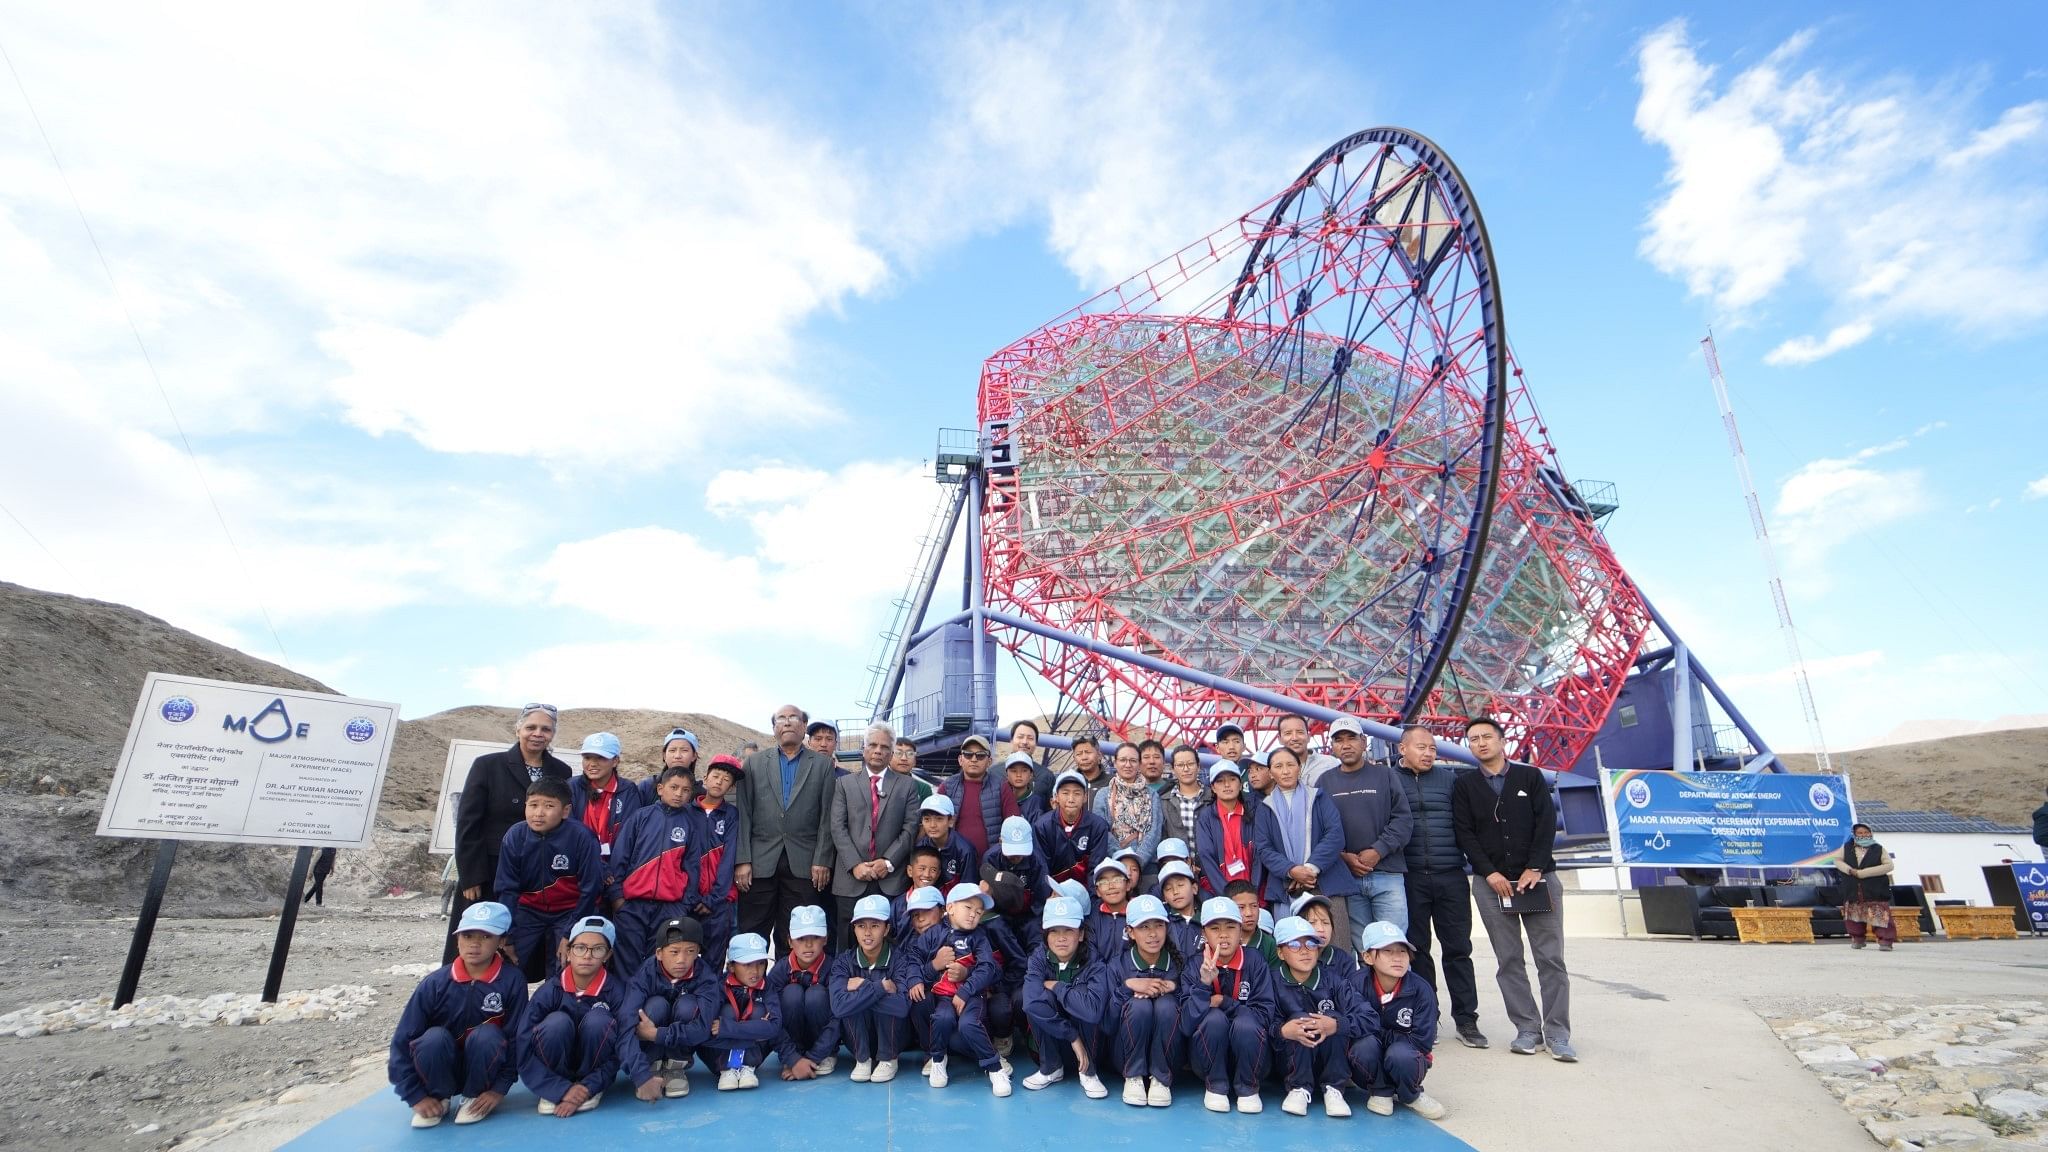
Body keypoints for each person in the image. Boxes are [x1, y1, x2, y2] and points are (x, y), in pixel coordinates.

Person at [1451, 716, 1572, 1061]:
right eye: (1473, 739)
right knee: (1509, 960)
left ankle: (1558, 1033)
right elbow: (1465, 833)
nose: (1481, 743)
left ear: (1502, 741)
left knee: (1550, 958)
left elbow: (1546, 823)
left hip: (1538, 880)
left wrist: (1535, 866)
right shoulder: (1465, 785)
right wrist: (1488, 873)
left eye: (1487, 737)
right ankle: (1527, 1029)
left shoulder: (1529, 777)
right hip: (1492, 886)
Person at [448, 704, 573, 962]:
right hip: (490, 869)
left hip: (535, 870)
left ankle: (508, 994)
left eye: (545, 729)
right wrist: (471, 875)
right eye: (531, 727)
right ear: (518, 729)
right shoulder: (488, 766)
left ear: (552, 735)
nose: (537, 733)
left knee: (516, 942)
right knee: (480, 935)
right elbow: (468, 822)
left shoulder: (561, 772)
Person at [390, 901, 526, 1128]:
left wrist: (498, 1090)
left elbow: (516, 1038)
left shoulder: (512, 981)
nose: (474, 944)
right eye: (468, 936)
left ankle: (474, 1097)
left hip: (484, 1072)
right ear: (457, 938)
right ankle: (438, 1098)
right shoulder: (435, 983)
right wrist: (415, 1095)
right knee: (434, 1038)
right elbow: (403, 1040)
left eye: (485, 937)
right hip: (439, 1070)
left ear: (501, 941)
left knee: (488, 1035)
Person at [1394, 724, 1484, 1048]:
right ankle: (1427, 1017)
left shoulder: (1451, 780)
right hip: (1411, 876)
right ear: (1402, 749)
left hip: (1451, 875)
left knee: (1458, 949)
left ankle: (1467, 1020)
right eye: (1421, 747)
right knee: (1418, 951)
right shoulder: (1390, 780)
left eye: (1432, 748)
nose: (1429, 753)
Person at [735, 705, 837, 950]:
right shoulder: (754, 764)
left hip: (805, 863)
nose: (788, 722)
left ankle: (787, 984)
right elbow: (744, 813)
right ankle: (748, 986)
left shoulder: (822, 765)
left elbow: (827, 817)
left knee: (795, 933)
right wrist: (743, 860)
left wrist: (822, 859)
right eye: (782, 718)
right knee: (752, 928)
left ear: (803, 727)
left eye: (794, 718)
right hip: (760, 862)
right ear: (774, 729)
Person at [900, 882, 1009, 1096]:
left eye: (978, 912)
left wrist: (966, 989)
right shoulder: (934, 934)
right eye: (968, 908)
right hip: (943, 997)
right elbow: (913, 956)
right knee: (941, 1019)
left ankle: (995, 1068)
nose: (973, 915)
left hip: (973, 997)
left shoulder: (979, 937)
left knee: (969, 1024)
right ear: (950, 908)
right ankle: (938, 1060)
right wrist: (916, 978)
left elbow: (988, 967)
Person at [495, 777, 605, 981]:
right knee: (507, 963)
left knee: (564, 966)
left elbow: (591, 889)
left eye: (548, 806)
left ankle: (555, 1009)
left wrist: (570, 933)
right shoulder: (515, 836)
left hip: (570, 911)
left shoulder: (582, 837)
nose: (538, 813)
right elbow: (506, 889)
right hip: (528, 909)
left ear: (565, 811)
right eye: (533, 805)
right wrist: (506, 933)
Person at [518, 914, 624, 1117]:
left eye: (598, 949)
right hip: (553, 1075)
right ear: (568, 951)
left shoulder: (617, 993)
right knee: (556, 1022)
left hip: (593, 1074)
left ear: (608, 955)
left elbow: (622, 1046)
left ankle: (586, 1087)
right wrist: (557, 1088)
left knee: (599, 1020)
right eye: (580, 947)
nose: (587, 955)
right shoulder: (549, 991)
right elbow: (523, 1042)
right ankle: (555, 1088)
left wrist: (590, 1086)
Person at [1319, 716, 1414, 939]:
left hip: (1387, 874)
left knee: (1394, 942)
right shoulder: (1324, 782)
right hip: (1347, 877)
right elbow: (1319, 830)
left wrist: (1378, 850)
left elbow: (1403, 820)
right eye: (1339, 740)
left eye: (1351, 738)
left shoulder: (1385, 775)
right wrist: (1344, 858)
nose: (1346, 744)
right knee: (1363, 949)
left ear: (1363, 742)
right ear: (1332, 746)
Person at [829, 723, 921, 950]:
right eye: (872, 745)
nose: (878, 751)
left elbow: (910, 827)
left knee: (890, 940)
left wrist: (888, 862)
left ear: (891, 752)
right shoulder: (844, 784)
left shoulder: (907, 786)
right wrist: (855, 865)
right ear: (863, 749)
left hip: (890, 880)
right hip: (851, 879)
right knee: (848, 943)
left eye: (884, 747)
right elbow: (837, 827)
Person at [1181, 895, 1275, 1114]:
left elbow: (1265, 1015)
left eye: (1231, 927)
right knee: (1213, 1019)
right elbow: (1186, 1024)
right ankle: (1216, 1086)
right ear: (1204, 934)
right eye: (1215, 928)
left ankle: (1248, 1088)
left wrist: (1225, 1002)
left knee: (1245, 1022)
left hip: (1252, 1059)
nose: (1223, 934)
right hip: (1206, 1062)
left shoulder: (1255, 961)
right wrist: (1204, 985)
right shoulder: (1195, 964)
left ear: (1241, 931)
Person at [608, 765, 703, 974]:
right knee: (626, 959)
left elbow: (693, 869)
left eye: (686, 790)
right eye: (674, 787)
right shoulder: (640, 817)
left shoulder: (690, 825)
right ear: (660, 789)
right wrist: (617, 898)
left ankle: (651, 1005)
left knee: (657, 962)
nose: (679, 794)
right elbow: (619, 858)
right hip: (633, 904)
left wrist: (683, 905)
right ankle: (626, 1005)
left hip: (670, 907)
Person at [1270, 914, 1366, 1118]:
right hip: (1288, 1064)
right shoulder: (1272, 981)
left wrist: (1336, 1024)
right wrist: (1282, 1031)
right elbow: (1261, 1021)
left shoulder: (1334, 981)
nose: (1304, 951)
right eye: (1295, 945)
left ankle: (1334, 1088)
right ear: (1280, 952)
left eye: (1311, 944)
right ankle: (1299, 1088)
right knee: (1299, 1018)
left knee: (1332, 1018)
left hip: (1331, 1060)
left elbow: (1367, 1017)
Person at [1257, 745, 1354, 946]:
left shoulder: (1318, 797)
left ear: (1299, 767)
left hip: (1325, 883)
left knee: (1338, 946)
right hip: (1286, 886)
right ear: (1271, 773)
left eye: (1290, 764)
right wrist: (1291, 870)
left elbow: (1335, 835)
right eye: (1278, 766)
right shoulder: (1265, 808)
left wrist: (1308, 870)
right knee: (1294, 948)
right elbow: (1264, 848)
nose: (1285, 771)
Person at [1348, 920, 1446, 1119]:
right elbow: (1352, 1026)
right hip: (1370, 1060)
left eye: (1402, 952)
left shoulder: (1421, 989)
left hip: (1404, 1057)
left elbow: (1423, 1040)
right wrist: (1384, 1040)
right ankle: (1379, 1090)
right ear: (1367, 957)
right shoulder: (1356, 983)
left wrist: (1385, 1042)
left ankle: (1411, 1094)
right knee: (1363, 1046)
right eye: (1387, 951)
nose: (1397, 958)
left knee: (1400, 1054)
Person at [619, 916, 718, 1102]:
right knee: (655, 1005)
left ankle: (675, 1067)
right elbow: (625, 1023)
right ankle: (651, 1065)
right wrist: (640, 1075)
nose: (682, 959)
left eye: (690, 951)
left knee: (688, 1005)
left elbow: (703, 1028)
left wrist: (657, 1034)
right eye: (674, 951)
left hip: (664, 1036)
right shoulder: (645, 975)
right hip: (647, 1054)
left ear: (698, 952)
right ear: (659, 953)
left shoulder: (706, 977)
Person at [1021, 894, 1110, 1095]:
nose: (1061, 938)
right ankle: (1051, 1067)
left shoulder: (1094, 961)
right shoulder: (1039, 957)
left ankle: (1089, 1072)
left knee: (1081, 998)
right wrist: (1073, 1037)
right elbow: (1030, 1003)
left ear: (1080, 934)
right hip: (1060, 1041)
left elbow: (1093, 1011)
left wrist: (1059, 987)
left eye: (1068, 930)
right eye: (1054, 931)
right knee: (1040, 998)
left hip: (1091, 1049)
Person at [1105, 893, 1181, 1108]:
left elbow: (1189, 1022)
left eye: (1158, 925)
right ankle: (1134, 1076)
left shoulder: (1178, 965)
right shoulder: (1117, 965)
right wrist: (1127, 987)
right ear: (1130, 932)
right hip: (1124, 1056)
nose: (1153, 934)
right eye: (1144, 927)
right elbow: (1107, 1023)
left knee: (1167, 1005)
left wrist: (1175, 989)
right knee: (1139, 1006)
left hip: (1170, 1059)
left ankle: (1161, 1078)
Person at [831, 894, 909, 1083]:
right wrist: (878, 987)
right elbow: (838, 1007)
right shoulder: (843, 961)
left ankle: (889, 1059)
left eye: (875, 925)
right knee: (851, 1006)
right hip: (857, 1040)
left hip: (894, 1039)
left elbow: (902, 1007)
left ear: (886, 929)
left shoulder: (899, 959)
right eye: (861, 926)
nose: (867, 933)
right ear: (854, 929)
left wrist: (861, 987)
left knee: (860, 1001)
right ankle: (862, 1060)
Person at [768, 906, 839, 1078]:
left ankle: (827, 1055)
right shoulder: (779, 971)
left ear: (826, 939)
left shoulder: (835, 969)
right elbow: (770, 1018)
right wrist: (792, 1059)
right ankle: (796, 1053)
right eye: (801, 938)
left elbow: (840, 1018)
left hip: (823, 1043)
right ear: (790, 941)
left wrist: (814, 1056)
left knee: (816, 995)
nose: (808, 945)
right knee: (792, 993)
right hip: (792, 1047)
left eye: (815, 937)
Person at [688, 756, 745, 969]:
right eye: (716, 776)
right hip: (688, 899)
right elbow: (682, 859)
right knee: (685, 956)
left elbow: (729, 860)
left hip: (720, 902)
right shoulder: (687, 811)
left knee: (714, 959)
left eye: (727, 779)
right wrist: (691, 896)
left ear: (731, 786)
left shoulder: (732, 815)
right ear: (705, 778)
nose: (720, 781)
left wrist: (713, 898)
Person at [707, 933, 779, 1090]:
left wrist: (727, 1028)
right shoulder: (717, 986)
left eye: (760, 963)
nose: (755, 971)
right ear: (731, 966)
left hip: (754, 1057)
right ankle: (727, 1069)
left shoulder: (768, 986)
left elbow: (774, 1026)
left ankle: (748, 1066)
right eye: (747, 964)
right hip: (717, 1058)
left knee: (758, 1010)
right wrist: (757, 1029)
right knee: (727, 1011)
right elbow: (706, 1028)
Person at [570, 733, 641, 871]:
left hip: (615, 870)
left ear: (615, 761)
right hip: (578, 867)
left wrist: (613, 872)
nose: (592, 763)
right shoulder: (572, 787)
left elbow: (628, 835)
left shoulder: (628, 790)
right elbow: (568, 831)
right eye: (587, 757)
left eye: (601, 758)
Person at [1194, 761, 1264, 898]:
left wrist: (1252, 893)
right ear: (1213, 787)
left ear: (1240, 784)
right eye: (1220, 781)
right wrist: (1227, 896)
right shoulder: (1206, 817)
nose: (1227, 785)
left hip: (1255, 892)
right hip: (1220, 894)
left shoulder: (1254, 812)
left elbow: (1260, 853)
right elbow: (1206, 856)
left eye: (1232, 779)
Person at [1034, 770, 1113, 890]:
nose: (1071, 799)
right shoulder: (1043, 826)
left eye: (1077, 793)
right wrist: (1050, 897)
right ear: (1056, 797)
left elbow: (1096, 868)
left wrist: (1090, 899)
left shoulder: (1097, 826)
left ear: (1085, 797)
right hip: (1054, 892)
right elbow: (1042, 869)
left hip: (1085, 890)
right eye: (1065, 793)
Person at [1093, 742, 1164, 871]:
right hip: (1113, 865)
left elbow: (1154, 833)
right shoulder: (1103, 795)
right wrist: (1121, 861)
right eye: (1123, 760)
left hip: (1147, 868)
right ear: (1115, 763)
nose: (1128, 765)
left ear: (1139, 764)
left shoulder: (1152, 795)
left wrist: (1137, 863)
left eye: (1133, 760)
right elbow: (1102, 832)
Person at [1834, 822, 1898, 952]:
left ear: (1870, 833)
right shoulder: (1847, 847)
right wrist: (1849, 870)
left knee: (1880, 916)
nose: (1863, 835)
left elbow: (1889, 866)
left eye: (1866, 832)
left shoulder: (1878, 848)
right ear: (1855, 835)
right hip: (1853, 889)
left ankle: (1885, 941)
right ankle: (1857, 939)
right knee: (1854, 916)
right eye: (1860, 833)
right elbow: (1837, 860)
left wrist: (1863, 873)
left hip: (1875, 889)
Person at [938, 734, 1004, 859]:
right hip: (954, 859)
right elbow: (933, 820)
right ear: (960, 759)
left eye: (980, 755)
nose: (974, 759)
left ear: (989, 761)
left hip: (992, 861)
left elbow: (1012, 820)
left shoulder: (1001, 786)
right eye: (968, 754)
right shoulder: (947, 786)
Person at [915, 794, 977, 888]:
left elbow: (968, 888)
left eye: (939, 819)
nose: (932, 825)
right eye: (927, 819)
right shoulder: (921, 847)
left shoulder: (965, 850)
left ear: (951, 821)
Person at [1160, 745, 1208, 849]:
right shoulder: (1164, 801)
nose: (1186, 769)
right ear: (1173, 769)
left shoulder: (1213, 797)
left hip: (1211, 863)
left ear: (1198, 766)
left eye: (1190, 764)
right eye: (1180, 765)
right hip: (1177, 863)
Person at [1086, 857, 1134, 956]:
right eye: (1103, 882)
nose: (1111, 886)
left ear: (1128, 884)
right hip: (1098, 971)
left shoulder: (1139, 913)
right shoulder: (1092, 918)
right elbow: (1091, 957)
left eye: (1117, 880)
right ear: (1098, 891)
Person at [639, 728, 699, 806]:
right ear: (664, 755)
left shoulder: (701, 794)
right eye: (672, 750)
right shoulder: (647, 787)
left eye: (684, 750)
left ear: (694, 756)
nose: (677, 756)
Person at [1281, 713, 1341, 785]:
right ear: (1280, 739)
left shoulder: (1330, 763)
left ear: (1308, 737)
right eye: (1288, 733)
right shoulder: (1273, 769)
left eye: (1300, 732)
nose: (1295, 738)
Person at [1000, 752, 1048, 821]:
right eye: (1014, 771)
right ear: (1006, 774)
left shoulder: (1036, 802)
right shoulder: (1000, 797)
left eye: (1024, 771)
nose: (1019, 775)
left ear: (1031, 775)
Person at [891, 737, 936, 803]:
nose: (904, 758)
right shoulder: (877, 783)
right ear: (888, 757)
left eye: (910, 754)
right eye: (898, 753)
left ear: (915, 761)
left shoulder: (923, 788)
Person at [1069, 735, 1111, 800]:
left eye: (1088, 752)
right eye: (1079, 754)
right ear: (1074, 759)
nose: (1084, 758)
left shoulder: (1113, 782)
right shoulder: (1068, 782)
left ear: (1099, 755)